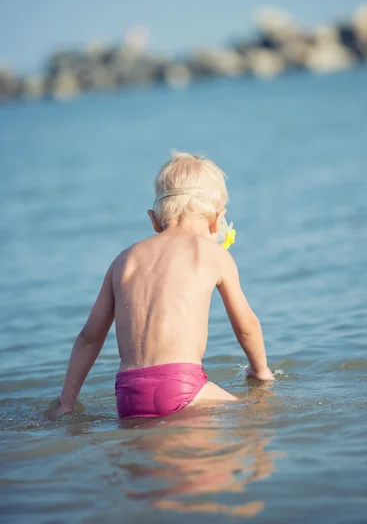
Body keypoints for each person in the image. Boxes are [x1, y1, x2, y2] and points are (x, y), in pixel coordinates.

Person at [50, 152, 274, 420]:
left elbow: (90, 337)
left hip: (128, 394)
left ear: (154, 219)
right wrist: (260, 370)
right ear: (217, 219)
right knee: (256, 414)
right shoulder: (212, 254)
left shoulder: (124, 259)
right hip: (182, 387)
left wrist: (66, 401)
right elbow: (246, 325)